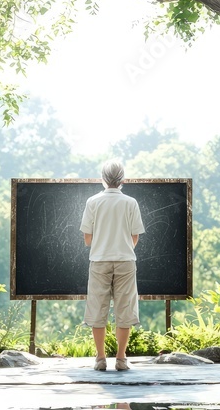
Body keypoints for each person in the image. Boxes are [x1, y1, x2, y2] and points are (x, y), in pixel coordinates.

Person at [80, 159, 145, 371]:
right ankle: (121, 358)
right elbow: (135, 237)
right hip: (126, 260)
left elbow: (87, 239)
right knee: (124, 308)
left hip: (99, 260)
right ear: (122, 180)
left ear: (103, 179)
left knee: (98, 306)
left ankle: (100, 358)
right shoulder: (131, 202)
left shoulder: (92, 202)